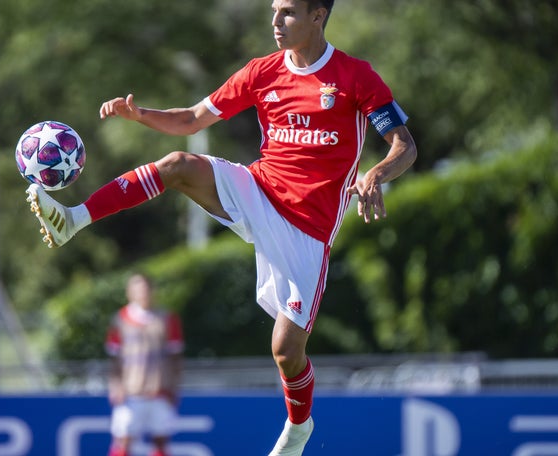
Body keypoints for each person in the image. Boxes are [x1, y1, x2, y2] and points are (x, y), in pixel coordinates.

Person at [25, 0, 417, 454]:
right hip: (258, 188)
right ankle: (74, 219)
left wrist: (375, 175)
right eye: (273, 10)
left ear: (318, 16)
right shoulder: (261, 72)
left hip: (308, 228)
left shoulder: (355, 77)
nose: (275, 21)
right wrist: (143, 115)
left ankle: (300, 426)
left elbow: (404, 146)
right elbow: (192, 119)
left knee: (287, 352)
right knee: (178, 165)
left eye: (288, 12)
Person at [104, 273, 185, 456]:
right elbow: (114, 357)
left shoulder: (167, 318)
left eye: (146, 288)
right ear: (130, 292)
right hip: (131, 392)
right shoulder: (120, 319)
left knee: (161, 440)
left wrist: (174, 387)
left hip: (160, 390)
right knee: (124, 439)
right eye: (138, 288)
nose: (143, 293)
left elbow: (175, 356)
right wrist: (115, 385)